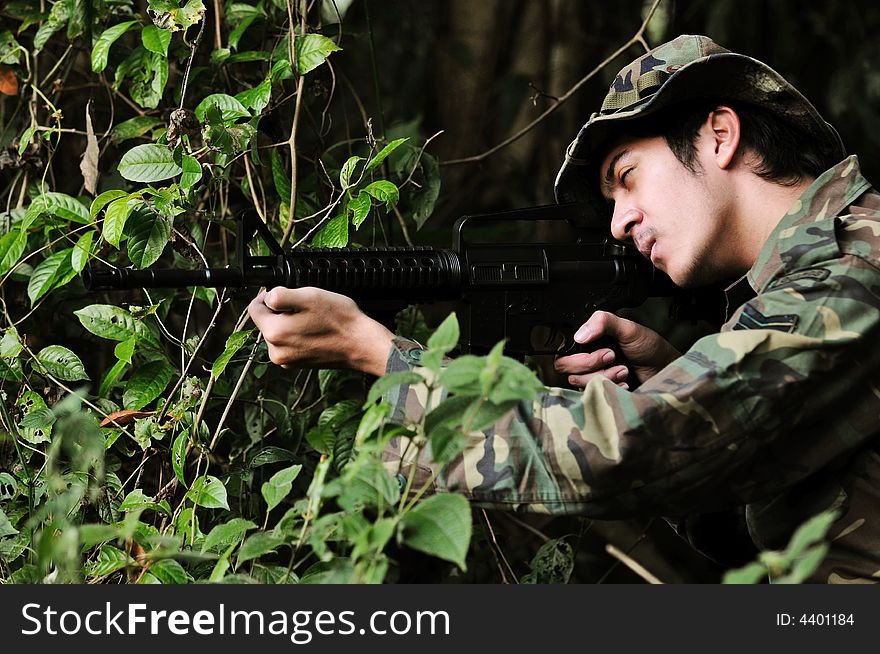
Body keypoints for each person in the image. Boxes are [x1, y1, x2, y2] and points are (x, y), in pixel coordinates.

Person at [248, 35, 880, 583]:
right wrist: (673, 380)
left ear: (720, 135)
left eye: (627, 176)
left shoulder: (851, 265)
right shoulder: (810, 276)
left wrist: (381, 356)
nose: (619, 222)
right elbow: (767, 530)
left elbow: (626, 449)